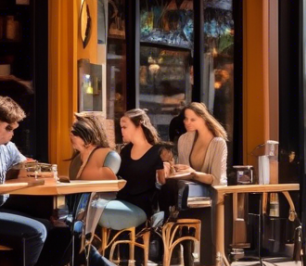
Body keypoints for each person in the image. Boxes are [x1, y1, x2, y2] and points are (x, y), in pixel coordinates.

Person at [0, 96, 118, 266]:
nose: (12, 135)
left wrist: (47, 172)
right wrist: (16, 185)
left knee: (65, 232)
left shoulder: (5, 146)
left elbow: (27, 164)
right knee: (36, 231)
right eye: (9, 129)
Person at [100, 109, 166, 244]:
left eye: (125, 127)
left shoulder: (158, 152)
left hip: (142, 205)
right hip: (121, 199)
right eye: (121, 127)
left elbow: (163, 183)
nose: (122, 131)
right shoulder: (125, 151)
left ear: (139, 125)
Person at [174, 102, 229, 187]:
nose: (187, 122)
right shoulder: (184, 139)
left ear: (204, 119)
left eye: (193, 119)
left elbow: (217, 180)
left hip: (214, 195)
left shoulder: (219, 144)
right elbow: (182, 176)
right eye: (186, 119)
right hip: (190, 195)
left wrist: (194, 174)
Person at [69, 113, 121, 180]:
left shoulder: (110, 157)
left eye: (76, 133)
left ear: (89, 134)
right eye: (72, 132)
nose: (72, 136)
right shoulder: (76, 161)